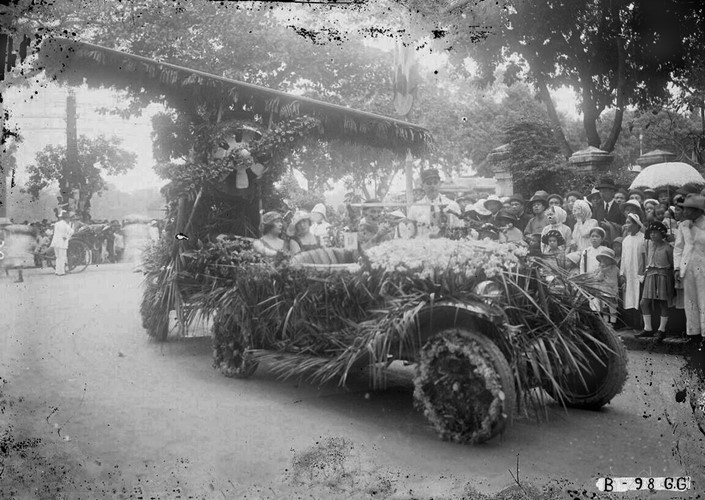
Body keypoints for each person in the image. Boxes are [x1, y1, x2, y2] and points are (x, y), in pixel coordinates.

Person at [674, 195, 705, 346]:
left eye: (687, 208)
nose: (684, 211)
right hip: (688, 267)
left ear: (697, 210)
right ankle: (693, 333)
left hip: (703, 267)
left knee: (703, 300)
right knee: (690, 301)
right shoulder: (683, 225)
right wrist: (677, 267)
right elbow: (679, 247)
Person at [635, 221, 674, 341]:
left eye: (655, 233)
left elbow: (672, 264)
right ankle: (648, 329)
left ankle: (661, 330)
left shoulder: (668, 247)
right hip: (650, 274)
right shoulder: (648, 245)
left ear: (661, 234)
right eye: (651, 233)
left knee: (663, 303)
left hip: (663, 275)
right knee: (643, 302)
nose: (653, 235)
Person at [408, 169, 462, 238]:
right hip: (423, 245)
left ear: (439, 184)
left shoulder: (451, 205)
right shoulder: (415, 208)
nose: (432, 186)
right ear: (422, 186)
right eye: (429, 183)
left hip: (447, 246)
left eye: (435, 182)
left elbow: (460, 229)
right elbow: (410, 234)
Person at [619, 213, 646, 326]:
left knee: (639, 297)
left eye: (629, 222)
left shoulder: (643, 239)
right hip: (628, 273)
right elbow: (623, 257)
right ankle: (632, 323)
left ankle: (641, 324)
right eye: (626, 222)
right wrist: (622, 273)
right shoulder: (626, 240)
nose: (626, 225)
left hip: (639, 273)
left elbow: (645, 257)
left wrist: (643, 272)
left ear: (636, 224)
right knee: (629, 297)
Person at [595, 247, 620, 325]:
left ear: (611, 260)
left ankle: (612, 323)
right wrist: (601, 270)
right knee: (606, 307)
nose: (604, 261)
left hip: (610, 291)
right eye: (603, 259)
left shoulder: (613, 269)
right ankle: (608, 322)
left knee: (611, 307)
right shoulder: (606, 269)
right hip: (606, 291)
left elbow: (599, 278)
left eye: (606, 259)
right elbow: (599, 278)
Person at [49, 210, 74, 276]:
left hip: (55, 243)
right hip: (62, 243)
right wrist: (67, 237)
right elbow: (71, 231)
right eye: (68, 219)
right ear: (67, 218)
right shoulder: (65, 224)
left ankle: (57, 271)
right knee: (62, 257)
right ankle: (61, 272)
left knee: (58, 257)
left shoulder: (56, 224)